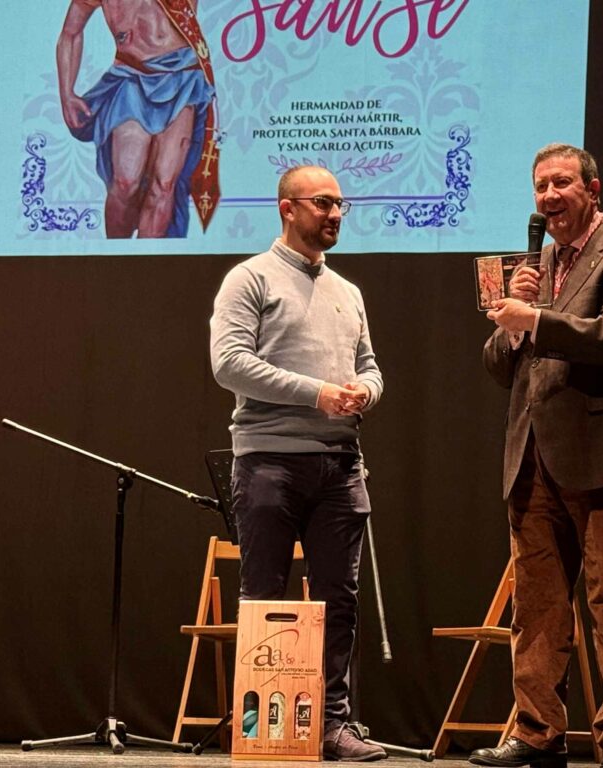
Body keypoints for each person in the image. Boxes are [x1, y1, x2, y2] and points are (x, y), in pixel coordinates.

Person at [474, 144, 603, 768]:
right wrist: (513, 325)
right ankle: (537, 732)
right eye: (540, 186)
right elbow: (501, 366)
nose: (549, 196)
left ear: (593, 187)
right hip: (531, 456)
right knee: (536, 605)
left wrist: (537, 319)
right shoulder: (537, 263)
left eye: (562, 183)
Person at [210, 165, 386, 761]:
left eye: (341, 203)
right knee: (264, 596)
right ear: (287, 209)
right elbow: (229, 364)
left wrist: (366, 391)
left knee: (341, 599)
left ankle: (333, 727)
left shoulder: (348, 291)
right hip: (268, 463)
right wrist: (317, 393)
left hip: (340, 465)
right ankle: (259, 729)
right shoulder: (250, 278)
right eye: (323, 202)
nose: (335, 213)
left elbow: (370, 365)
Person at [57, 0, 220, 238]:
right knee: (125, 182)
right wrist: (66, 94)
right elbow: (70, 33)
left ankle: (148, 261)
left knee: (164, 185)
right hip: (131, 78)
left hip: (184, 78)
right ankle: (117, 258)